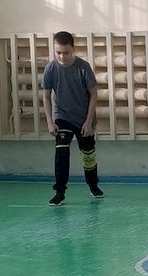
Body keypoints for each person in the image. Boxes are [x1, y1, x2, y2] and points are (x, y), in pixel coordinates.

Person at [41, 31, 103, 206]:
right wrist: (50, 121)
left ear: (73, 49)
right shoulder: (51, 69)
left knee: (88, 153)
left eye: (66, 52)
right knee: (61, 151)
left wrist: (88, 121)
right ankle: (59, 192)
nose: (62, 56)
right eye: (58, 52)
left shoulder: (83, 67)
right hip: (62, 116)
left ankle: (93, 185)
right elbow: (46, 96)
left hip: (84, 117)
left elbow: (93, 95)